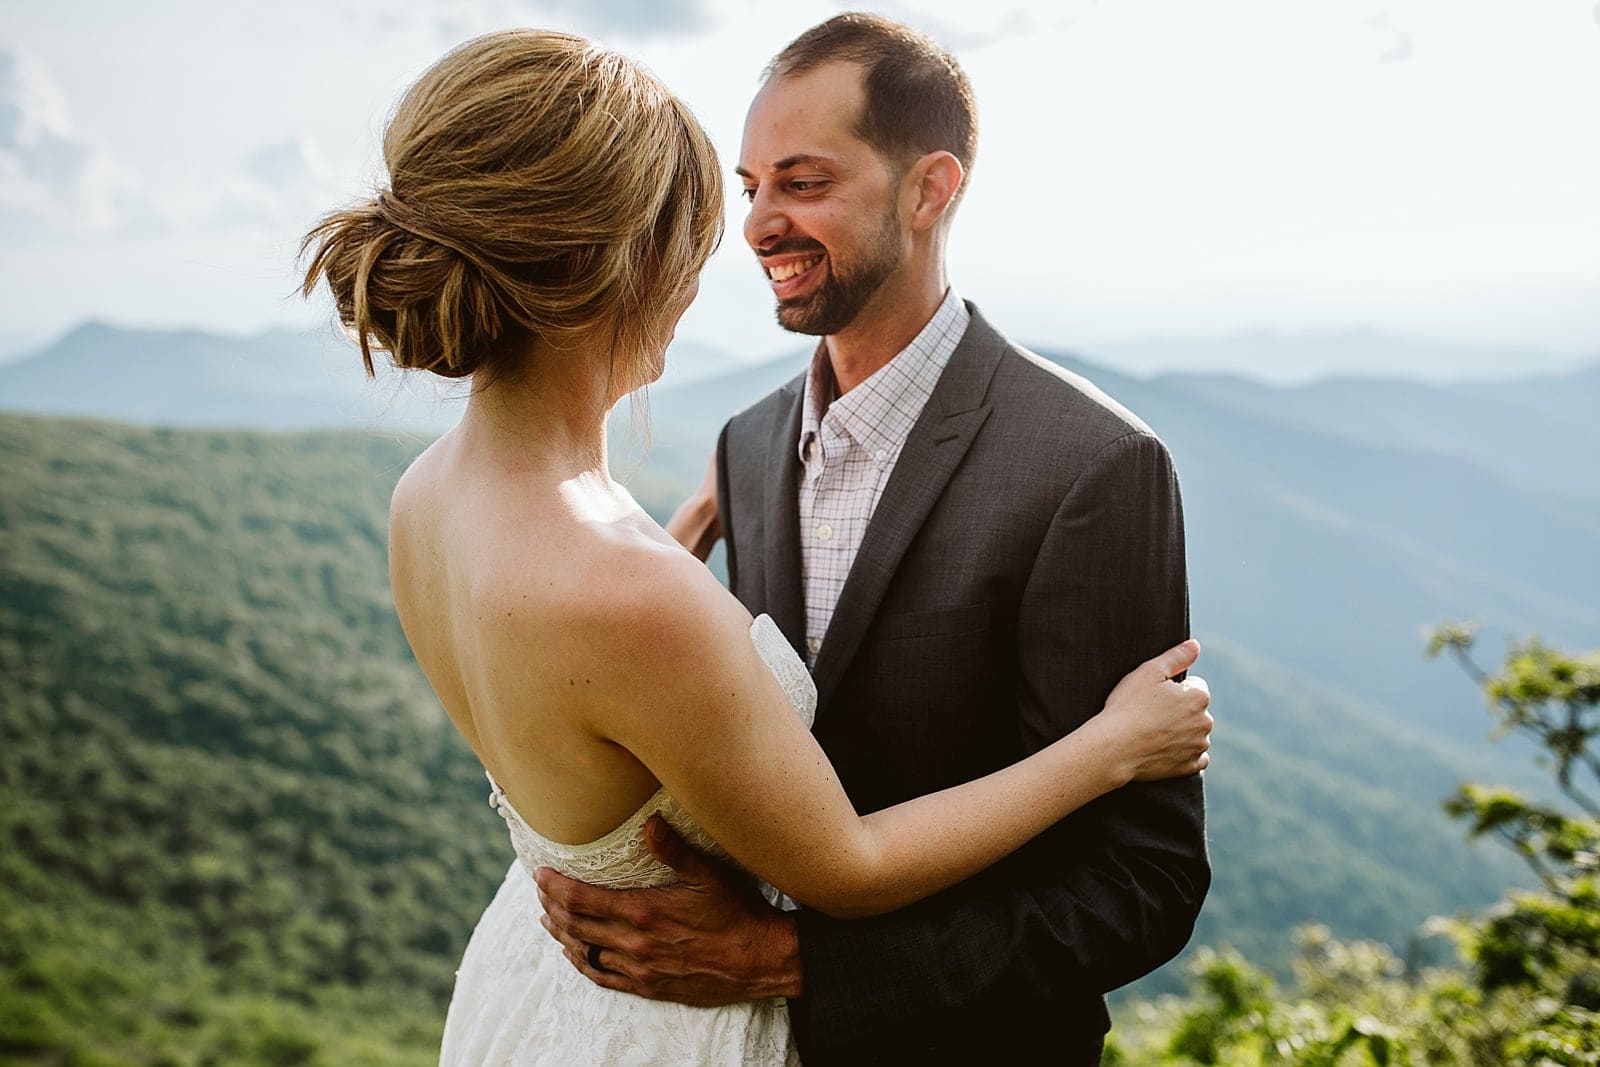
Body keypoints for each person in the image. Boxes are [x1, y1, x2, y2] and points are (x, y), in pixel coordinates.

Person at [300, 27, 1210, 1067]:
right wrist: (1109, 745)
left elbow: (1141, 885)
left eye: (805, 181)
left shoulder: (1091, 465)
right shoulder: (731, 464)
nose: (753, 230)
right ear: (621, 259)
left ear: (929, 190)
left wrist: (796, 962)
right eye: (740, 192)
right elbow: (815, 830)